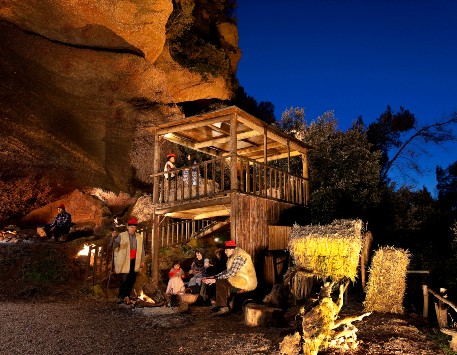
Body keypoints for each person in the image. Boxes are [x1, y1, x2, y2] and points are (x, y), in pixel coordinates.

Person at [202, 240, 257, 316]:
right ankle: (219, 304)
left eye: (226, 250)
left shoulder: (240, 256)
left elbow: (231, 273)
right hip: (237, 279)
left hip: (245, 281)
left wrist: (216, 279)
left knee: (220, 282)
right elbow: (227, 271)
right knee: (218, 281)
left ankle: (224, 308)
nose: (225, 252)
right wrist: (215, 276)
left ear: (232, 249)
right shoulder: (232, 256)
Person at [113, 217, 145, 303]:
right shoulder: (121, 235)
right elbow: (114, 246)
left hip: (135, 260)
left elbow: (142, 249)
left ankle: (127, 295)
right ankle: (121, 296)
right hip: (125, 260)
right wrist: (114, 239)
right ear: (127, 227)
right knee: (124, 279)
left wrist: (142, 260)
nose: (132, 229)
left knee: (132, 279)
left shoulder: (138, 237)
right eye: (131, 227)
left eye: (134, 227)